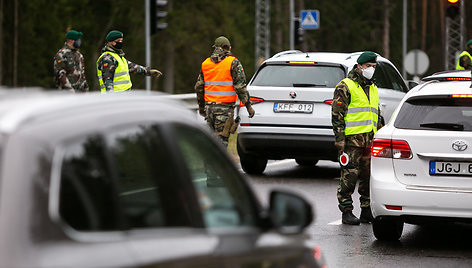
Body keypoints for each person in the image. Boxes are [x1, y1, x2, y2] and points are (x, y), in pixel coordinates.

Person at [331, 51, 383, 225]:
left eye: (374, 67)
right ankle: (346, 211)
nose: (371, 70)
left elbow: (377, 115)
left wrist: (381, 135)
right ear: (359, 67)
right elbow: (337, 114)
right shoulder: (345, 86)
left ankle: (366, 210)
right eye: (369, 66)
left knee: (368, 177)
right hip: (351, 141)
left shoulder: (373, 87)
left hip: (370, 140)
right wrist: (339, 139)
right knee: (349, 176)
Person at [194, 36, 255, 148]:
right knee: (221, 145)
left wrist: (202, 108)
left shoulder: (206, 64)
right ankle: (219, 166)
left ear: (215, 48)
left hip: (209, 110)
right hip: (225, 111)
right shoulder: (233, 63)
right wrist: (249, 107)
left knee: (210, 144)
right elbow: (240, 88)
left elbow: (198, 87)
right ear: (229, 48)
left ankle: (207, 165)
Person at [96, 30, 162, 93]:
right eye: (118, 40)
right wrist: (112, 97)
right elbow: (107, 80)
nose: (120, 42)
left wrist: (148, 72)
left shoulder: (118, 56)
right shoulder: (107, 58)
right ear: (111, 42)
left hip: (123, 95)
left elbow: (132, 67)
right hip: (116, 97)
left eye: (121, 40)